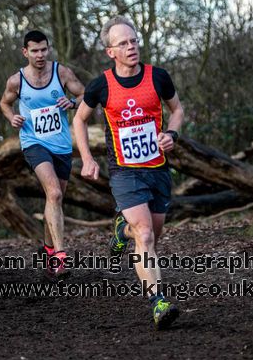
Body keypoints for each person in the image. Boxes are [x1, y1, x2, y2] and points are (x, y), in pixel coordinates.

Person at [73, 16, 184, 329]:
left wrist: (172, 135)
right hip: (124, 172)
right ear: (111, 52)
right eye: (123, 43)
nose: (131, 47)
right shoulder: (101, 86)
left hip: (158, 170)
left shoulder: (158, 77)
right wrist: (86, 158)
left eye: (133, 41)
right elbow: (79, 120)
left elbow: (178, 110)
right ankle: (158, 302)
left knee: (150, 238)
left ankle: (121, 230)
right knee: (145, 234)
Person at [0, 30, 84, 277]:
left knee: (54, 199)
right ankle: (60, 255)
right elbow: (4, 103)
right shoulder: (17, 80)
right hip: (33, 142)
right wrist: (11, 117)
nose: (40, 55)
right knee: (54, 192)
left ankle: (48, 250)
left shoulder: (61, 72)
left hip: (61, 144)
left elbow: (84, 94)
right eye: (34, 51)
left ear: (48, 49)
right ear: (25, 52)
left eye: (43, 49)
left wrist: (73, 103)